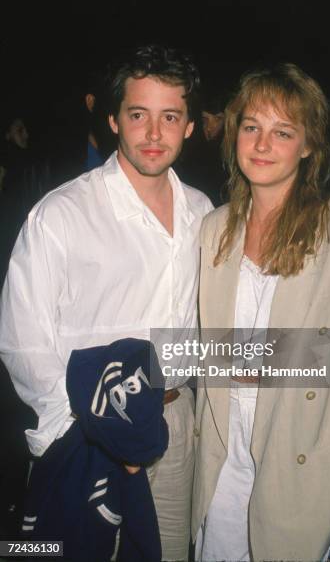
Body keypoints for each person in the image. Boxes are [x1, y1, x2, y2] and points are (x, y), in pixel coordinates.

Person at [0, 44, 213, 560]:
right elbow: (22, 340)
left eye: (170, 117)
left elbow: (196, 335)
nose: (155, 133)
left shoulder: (203, 213)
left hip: (174, 424)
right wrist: (86, 430)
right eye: (139, 114)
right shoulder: (64, 214)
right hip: (87, 432)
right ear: (114, 119)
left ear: (190, 126)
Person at [192, 63, 330, 561]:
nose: (262, 145)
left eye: (282, 131)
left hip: (308, 469)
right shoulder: (213, 229)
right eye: (251, 127)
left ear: (308, 145)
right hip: (223, 461)